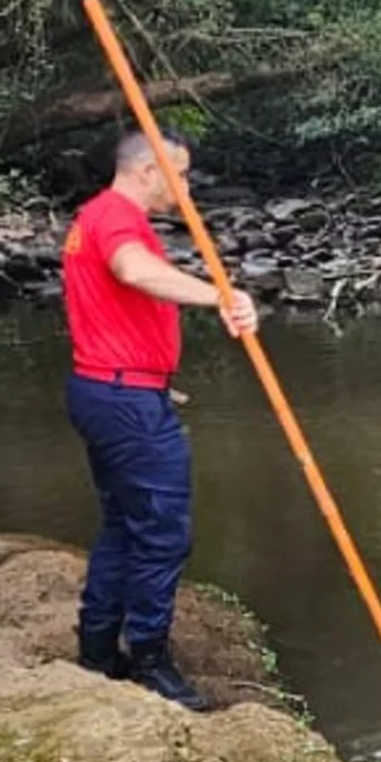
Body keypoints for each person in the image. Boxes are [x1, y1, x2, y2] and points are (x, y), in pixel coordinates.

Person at [62, 126, 258, 708]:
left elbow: (114, 306)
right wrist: (218, 296)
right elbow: (133, 272)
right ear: (148, 171)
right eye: (181, 174)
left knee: (126, 525)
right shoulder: (117, 219)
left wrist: (151, 382)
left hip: (115, 389)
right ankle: (148, 657)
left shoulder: (96, 215)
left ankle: (99, 650)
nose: (186, 188)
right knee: (163, 531)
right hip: (120, 398)